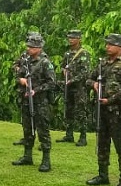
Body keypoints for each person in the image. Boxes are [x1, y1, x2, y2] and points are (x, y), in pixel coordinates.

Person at [85, 34, 121, 186]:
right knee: (102, 144)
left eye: (111, 44)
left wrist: (111, 100)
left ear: (120, 47)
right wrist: (93, 84)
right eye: (107, 44)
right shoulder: (102, 64)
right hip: (102, 111)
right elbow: (88, 79)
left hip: (117, 112)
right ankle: (103, 175)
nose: (107, 47)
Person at [11, 33, 56, 171]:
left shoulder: (45, 63)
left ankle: (46, 159)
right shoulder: (26, 61)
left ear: (39, 48)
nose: (28, 49)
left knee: (43, 130)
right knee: (27, 129)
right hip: (26, 100)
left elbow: (52, 83)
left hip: (40, 102)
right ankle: (27, 156)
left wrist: (36, 90)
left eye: (31, 46)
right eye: (28, 46)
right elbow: (17, 76)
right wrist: (21, 80)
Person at [59, 29, 91, 146]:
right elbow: (62, 67)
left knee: (81, 111)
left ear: (79, 39)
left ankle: (83, 137)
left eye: (73, 38)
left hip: (79, 88)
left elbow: (85, 73)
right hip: (68, 87)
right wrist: (64, 73)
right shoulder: (67, 54)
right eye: (69, 38)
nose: (70, 40)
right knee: (68, 110)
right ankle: (69, 134)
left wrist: (72, 80)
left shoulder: (84, 54)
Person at [10, 32, 39, 146]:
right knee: (25, 118)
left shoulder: (43, 59)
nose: (28, 47)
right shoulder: (24, 56)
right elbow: (15, 67)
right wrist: (20, 76)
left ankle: (40, 141)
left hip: (36, 93)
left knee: (38, 119)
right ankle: (27, 139)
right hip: (23, 91)